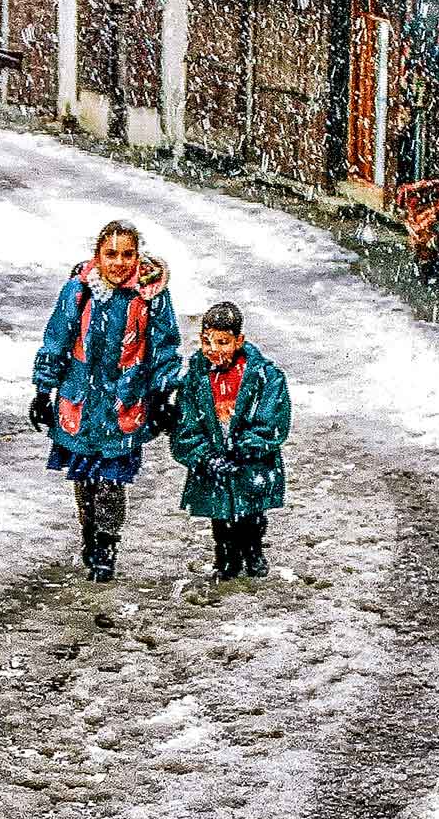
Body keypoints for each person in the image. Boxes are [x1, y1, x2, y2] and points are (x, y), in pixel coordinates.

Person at [30, 219, 183, 582]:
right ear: (97, 255)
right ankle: (89, 532)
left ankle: (105, 546)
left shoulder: (150, 296)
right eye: (110, 254)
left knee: (111, 480)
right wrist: (42, 388)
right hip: (79, 401)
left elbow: (165, 347)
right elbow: (57, 338)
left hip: (123, 401)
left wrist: (163, 393)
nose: (119, 262)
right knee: (84, 479)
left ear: (138, 255)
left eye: (127, 254)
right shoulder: (78, 291)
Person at [169, 301, 291, 581]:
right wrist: (204, 456)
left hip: (251, 464)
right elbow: (185, 426)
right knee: (220, 515)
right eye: (207, 341)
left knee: (252, 513)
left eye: (223, 342)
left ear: (239, 341)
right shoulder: (194, 381)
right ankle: (226, 558)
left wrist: (246, 447)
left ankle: (253, 551)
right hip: (215, 462)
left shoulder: (266, 376)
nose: (215, 350)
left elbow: (272, 420)